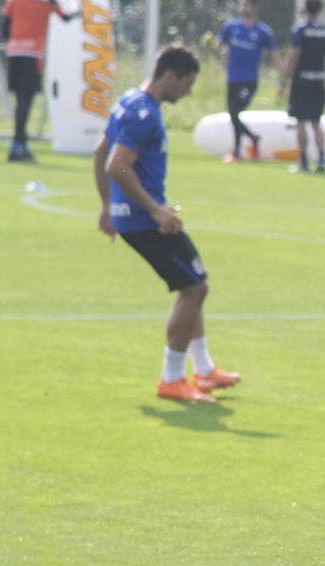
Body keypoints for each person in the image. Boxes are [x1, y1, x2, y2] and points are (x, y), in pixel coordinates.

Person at [94, 44, 240, 404]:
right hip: (145, 221)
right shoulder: (143, 113)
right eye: (187, 83)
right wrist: (156, 210)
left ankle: (204, 372)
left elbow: (101, 151)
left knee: (193, 283)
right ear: (169, 76)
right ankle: (172, 378)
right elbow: (116, 165)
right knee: (194, 289)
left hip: (135, 216)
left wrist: (107, 206)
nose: (189, 91)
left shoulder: (128, 101)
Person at [0, 0, 72, 162]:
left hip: (14, 53)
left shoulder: (13, 1)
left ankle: (19, 144)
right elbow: (66, 18)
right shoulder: (47, 2)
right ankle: (18, 145)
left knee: (20, 101)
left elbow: (5, 30)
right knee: (25, 100)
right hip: (32, 55)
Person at [216, 0, 276, 162]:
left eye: (247, 5)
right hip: (232, 78)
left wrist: (276, 74)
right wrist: (212, 46)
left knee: (235, 112)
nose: (244, 8)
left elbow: (273, 54)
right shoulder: (231, 27)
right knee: (232, 115)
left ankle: (246, 144)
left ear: (255, 8)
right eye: (242, 5)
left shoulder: (263, 31)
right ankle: (239, 150)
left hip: (249, 80)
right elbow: (219, 46)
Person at [279, 0, 325, 174]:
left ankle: (303, 162)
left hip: (302, 81)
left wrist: (284, 82)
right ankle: (322, 160)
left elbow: (294, 56)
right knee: (316, 123)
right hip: (319, 80)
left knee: (301, 122)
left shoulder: (300, 30)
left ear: (304, 9)